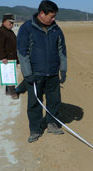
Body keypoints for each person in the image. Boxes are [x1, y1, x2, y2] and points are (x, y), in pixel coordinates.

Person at [17, 0, 67, 143]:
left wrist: (63, 70)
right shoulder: (27, 28)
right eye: (51, 16)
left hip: (52, 73)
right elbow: (22, 52)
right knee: (34, 103)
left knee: (54, 100)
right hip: (35, 74)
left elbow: (62, 50)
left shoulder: (56, 29)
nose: (54, 19)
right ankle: (35, 129)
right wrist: (28, 74)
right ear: (41, 14)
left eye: (54, 16)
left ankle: (52, 123)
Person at [0, 13, 22, 99]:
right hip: (8, 57)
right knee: (10, 75)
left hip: (13, 56)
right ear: (5, 21)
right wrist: (3, 57)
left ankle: (8, 91)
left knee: (10, 74)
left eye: (13, 23)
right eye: (11, 23)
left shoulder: (9, 31)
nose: (12, 25)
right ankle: (12, 92)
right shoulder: (0, 32)